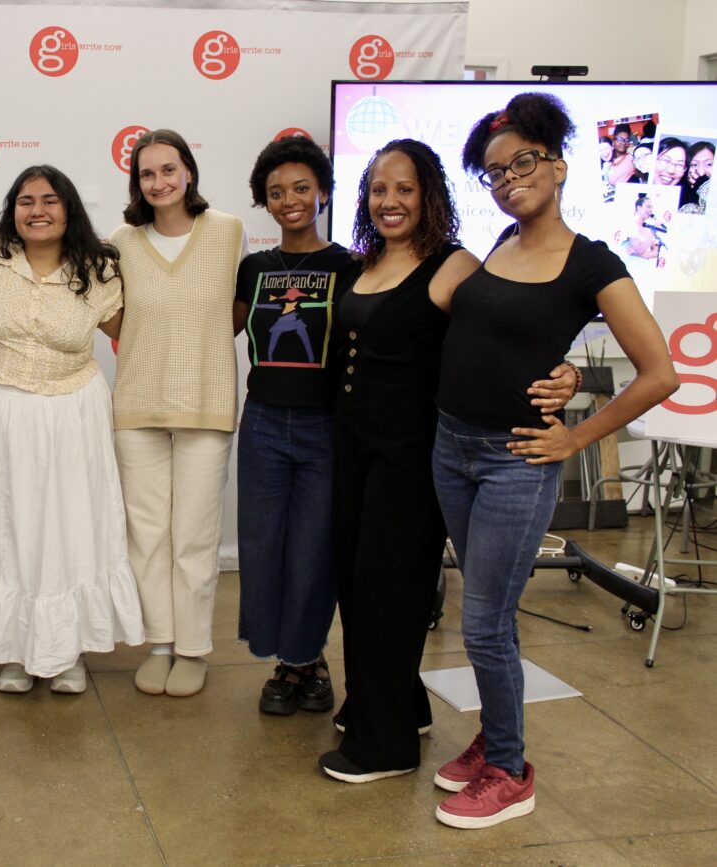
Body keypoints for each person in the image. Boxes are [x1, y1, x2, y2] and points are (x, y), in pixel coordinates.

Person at [431, 92, 677, 829]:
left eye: (523, 162)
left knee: (481, 624)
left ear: (561, 165)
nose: (508, 179)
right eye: (495, 171)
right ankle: (493, 739)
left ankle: (511, 770)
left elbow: (659, 371)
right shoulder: (499, 245)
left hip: (515, 460)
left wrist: (576, 436)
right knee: (491, 617)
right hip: (453, 448)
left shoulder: (591, 263)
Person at [317, 140, 579, 786]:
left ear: (429, 194)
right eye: (379, 189)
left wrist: (566, 372)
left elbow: (509, 334)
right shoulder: (365, 263)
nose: (390, 201)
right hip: (354, 448)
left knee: (389, 592)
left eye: (404, 189)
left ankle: (388, 746)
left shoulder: (457, 265)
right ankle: (396, 702)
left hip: (413, 458)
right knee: (355, 582)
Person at [0, 165, 144, 693]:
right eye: (26, 201)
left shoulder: (99, 269)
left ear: (68, 209)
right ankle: (12, 649)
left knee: (68, 526)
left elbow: (129, 329)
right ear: (13, 210)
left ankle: (65, 650)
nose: (37, 210)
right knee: (5, 525)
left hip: (70, 409)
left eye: (50, 200)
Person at [110, 129, 246, 698]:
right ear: (137, 182)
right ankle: (160, 643)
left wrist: (203, 346)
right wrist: (147, 343)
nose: (159, 182)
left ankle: (192, 649)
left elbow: (239, 309)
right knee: (147, 535)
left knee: (194, 535)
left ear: (188, 172)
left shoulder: (228, 232)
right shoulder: (121, 240)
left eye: (169, 169)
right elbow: (107, 312)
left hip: (206, 402)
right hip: (137, 403)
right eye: (147, 174)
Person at [233, 136, 359, 717]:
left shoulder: (352, 267)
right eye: (276, 192)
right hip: (262, 424)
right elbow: (212, 333)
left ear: (323, 194)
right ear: (264, 201)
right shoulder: (255, 268)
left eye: (301, 189)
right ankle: (287, 658)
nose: (289, 200)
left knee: (312, 552)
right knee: (264, 549)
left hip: (326, 428)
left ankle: (305, 659)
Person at [680, 140, 713, 210]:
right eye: (694, 164)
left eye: (709, 164)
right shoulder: (677, 193)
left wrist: (704, 188)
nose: (701, 172)